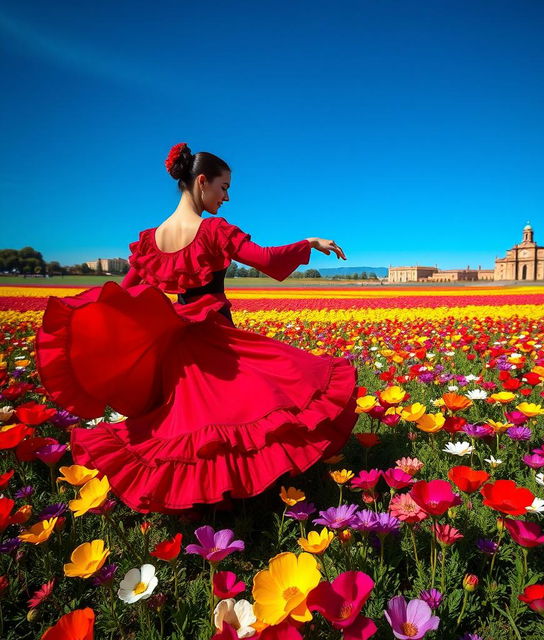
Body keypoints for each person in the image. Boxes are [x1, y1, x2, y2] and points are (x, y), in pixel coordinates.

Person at [34, 143, 360, 515]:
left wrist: (86, 324)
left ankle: (213, 503)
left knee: (193, 425)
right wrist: (309, 242)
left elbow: (121, 296)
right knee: (257, 403)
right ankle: (238, 502)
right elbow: (266, 260)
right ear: (201, 182)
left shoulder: (150, 241)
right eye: (223, 187)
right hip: (216, 337)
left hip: (178, 347)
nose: (227, 197)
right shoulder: (213, 230)